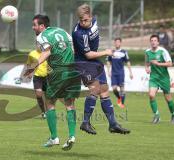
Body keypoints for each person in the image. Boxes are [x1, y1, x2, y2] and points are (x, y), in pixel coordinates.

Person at [25, 14, 81, 151]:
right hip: (73, 69)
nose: (33, 28)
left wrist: (34, 64)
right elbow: (73, 48)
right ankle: (72, 136)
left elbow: (47, 52)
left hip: (58, 70)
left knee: (49, 102)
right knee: (70, 104)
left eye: (35, 25)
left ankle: (54, 137)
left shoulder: (42, 36)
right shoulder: (62, 31)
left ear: (42, 26)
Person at [72, 4, 130, 135]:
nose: (83, 23)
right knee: (96, 88)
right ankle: (85, 122)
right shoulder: (79, 33)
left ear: (91, 17)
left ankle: (113, 124)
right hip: (83, 62)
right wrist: (106, 52)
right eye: (80, 20)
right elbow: (88, 54)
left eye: (85, 20)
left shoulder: (95, 23)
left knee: (104, 90)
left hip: (94, 62)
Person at [145, 34, 174, 124]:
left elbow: (170, 64)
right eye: (152, 41)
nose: (153, 42)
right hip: (154, 78)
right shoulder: (147, 52)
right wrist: (146, 68)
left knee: (168, 98)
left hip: (164, 78)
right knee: (151, 95)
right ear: (150, 42)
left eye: (155, 40)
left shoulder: (163, 51)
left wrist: (159, 64)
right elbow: (147, 62)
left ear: (158, 42)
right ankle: (157, 115)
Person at [106, 38, 133, 108]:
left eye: (118, 42)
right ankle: (119, 98)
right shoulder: (111, 52)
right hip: (113, 73)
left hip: (121, 73)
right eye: (116, 42)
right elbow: (108, 61)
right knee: (114, 88)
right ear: (114, 43)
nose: (117, 43)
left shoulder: (124, 52)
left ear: (120, 43)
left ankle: (122, 104)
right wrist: (108, 71)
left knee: (122, 89)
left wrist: (130, 72)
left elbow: (128, 62)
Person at [26, 43, 47, 119]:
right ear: (36, 45)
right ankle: (43, 112)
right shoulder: (32, 53)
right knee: (39, 95)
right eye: (38, 44)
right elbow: (29, 64)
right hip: (37, 76)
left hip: (48, 76)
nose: (39, 46)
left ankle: (49, 112)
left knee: (48, 97)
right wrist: (30, 72)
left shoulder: (47, 53)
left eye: (41, 44)